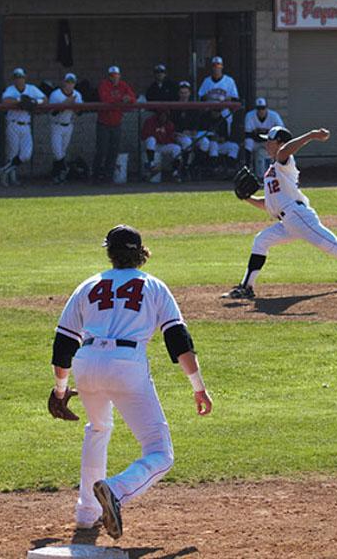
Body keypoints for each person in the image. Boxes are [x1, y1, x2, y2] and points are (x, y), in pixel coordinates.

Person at [49, 224, 213, 538]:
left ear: (109, 253)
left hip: (86, 363)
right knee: (160, 453)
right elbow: (178, 341)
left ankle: (87, 512)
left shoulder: (88, 285)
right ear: (140, 253)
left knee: (98, 427)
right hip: (127, 364)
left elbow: (63, 344)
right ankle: (115, 490)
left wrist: (60, 389)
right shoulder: (153, 286)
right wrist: (198, 387)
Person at [224, 126, 337, 299]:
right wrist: (247, 199)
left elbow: (285, 151)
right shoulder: (272, 170)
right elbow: (269, 204)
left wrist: (312, 135)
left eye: (270, 140)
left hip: (298, 217)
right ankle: (246, 287)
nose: (266, 144)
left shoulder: (285, 162)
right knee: (261, 240)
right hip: (288, 221)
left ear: (280, 142)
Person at [0, 67, 46, 186]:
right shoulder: (11, 89)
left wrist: (35, 102)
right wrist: (19, 100)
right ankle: (11, 178)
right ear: (14, 79)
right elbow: (5, 101)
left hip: (26, 126)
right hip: (13, 124)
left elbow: (45, 100)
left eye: (21, 77)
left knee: (26, 155)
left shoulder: (31, 89)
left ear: (25, 78)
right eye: (17, 77)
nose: (19, 79)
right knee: (12, 153)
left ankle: (4, 170)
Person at [94, 65, 136, 183]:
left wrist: (128, 99)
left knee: (113, 151)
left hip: (116, 123)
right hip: (103, 123)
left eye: (116, 75)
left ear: (119, 76)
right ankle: (96, 176)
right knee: (101, 150)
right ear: (109, 76)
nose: (115, 78)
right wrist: (122, 99)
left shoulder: (123, 85)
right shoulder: (104, 84)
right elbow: (105, 99)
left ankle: (108, 177)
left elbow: (133, 98)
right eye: (112, 76)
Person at [48, 73, 83, 185]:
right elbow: (53, 113)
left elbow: (80, 113)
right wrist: (65, 104)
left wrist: (73, 105)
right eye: (68, 82)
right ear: (64, 82)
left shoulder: (77, 94)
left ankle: (57, 176)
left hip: (68, 125)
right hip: (56, 125)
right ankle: (65, 169)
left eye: (72, 82)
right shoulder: (56, 94)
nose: (69, 84)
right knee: (58, 153)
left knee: (62, 152)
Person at [243, 97, 285, 175]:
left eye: (263, 108)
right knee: (248, 142)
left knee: (279, 145)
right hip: (256, 141)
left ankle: (280, 169)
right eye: (259, 109)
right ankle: (247, 166)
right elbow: (248, 133)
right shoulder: (250, 115)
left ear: (266, 108)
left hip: (270, 142)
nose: (261, 111)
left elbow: (281, 131)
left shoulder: (274, 116)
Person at [140, 110, 182, 182]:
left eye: (165, 116)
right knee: (151, 139)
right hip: (151, 146)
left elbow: (170, 138)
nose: (163, 117)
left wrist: (174, 136)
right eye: (162, 115)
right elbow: (144, 136)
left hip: (162, 145)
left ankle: (175, 173)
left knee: (177, 148)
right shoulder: (150, 121)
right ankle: (151, 164)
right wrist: (158, 136)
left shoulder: (169, 124)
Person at [170, 81, 201, 178]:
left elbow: (197, 123)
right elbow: (172, 124)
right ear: (179, 94)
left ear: (189, 93)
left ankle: (196, 166)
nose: (184, 95)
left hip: (192, 133)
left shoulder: (193, 106)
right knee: (187, 142)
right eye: (182, 93)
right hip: (179, 134)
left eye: (186, 93)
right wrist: (180, 131)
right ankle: (185, 167)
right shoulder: (174, 107)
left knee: (205, 143)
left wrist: (193, 130)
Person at [197, 107, 240, 177]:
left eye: (218, 111)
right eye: (215, 111)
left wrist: (220, 139)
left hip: (219, 144)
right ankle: (214, 168)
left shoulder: (223, 120)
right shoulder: (205, 118)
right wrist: (211, 137)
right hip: (208, 144)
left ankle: (230, 168)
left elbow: (225, 137)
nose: (216, 113)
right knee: (214, 145)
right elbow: (200, 133)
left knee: (234, 146)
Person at [198, 55, 239, 126]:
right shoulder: (206, 81)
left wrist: (224, 100)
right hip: (209, 113)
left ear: (222, 67)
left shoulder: (229, 81)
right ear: (212, 67)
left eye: (218, 65)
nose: (216, 68)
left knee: (224, 135)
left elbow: (235, 98)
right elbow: (200, 97)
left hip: (224, 113)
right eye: (214, 65)